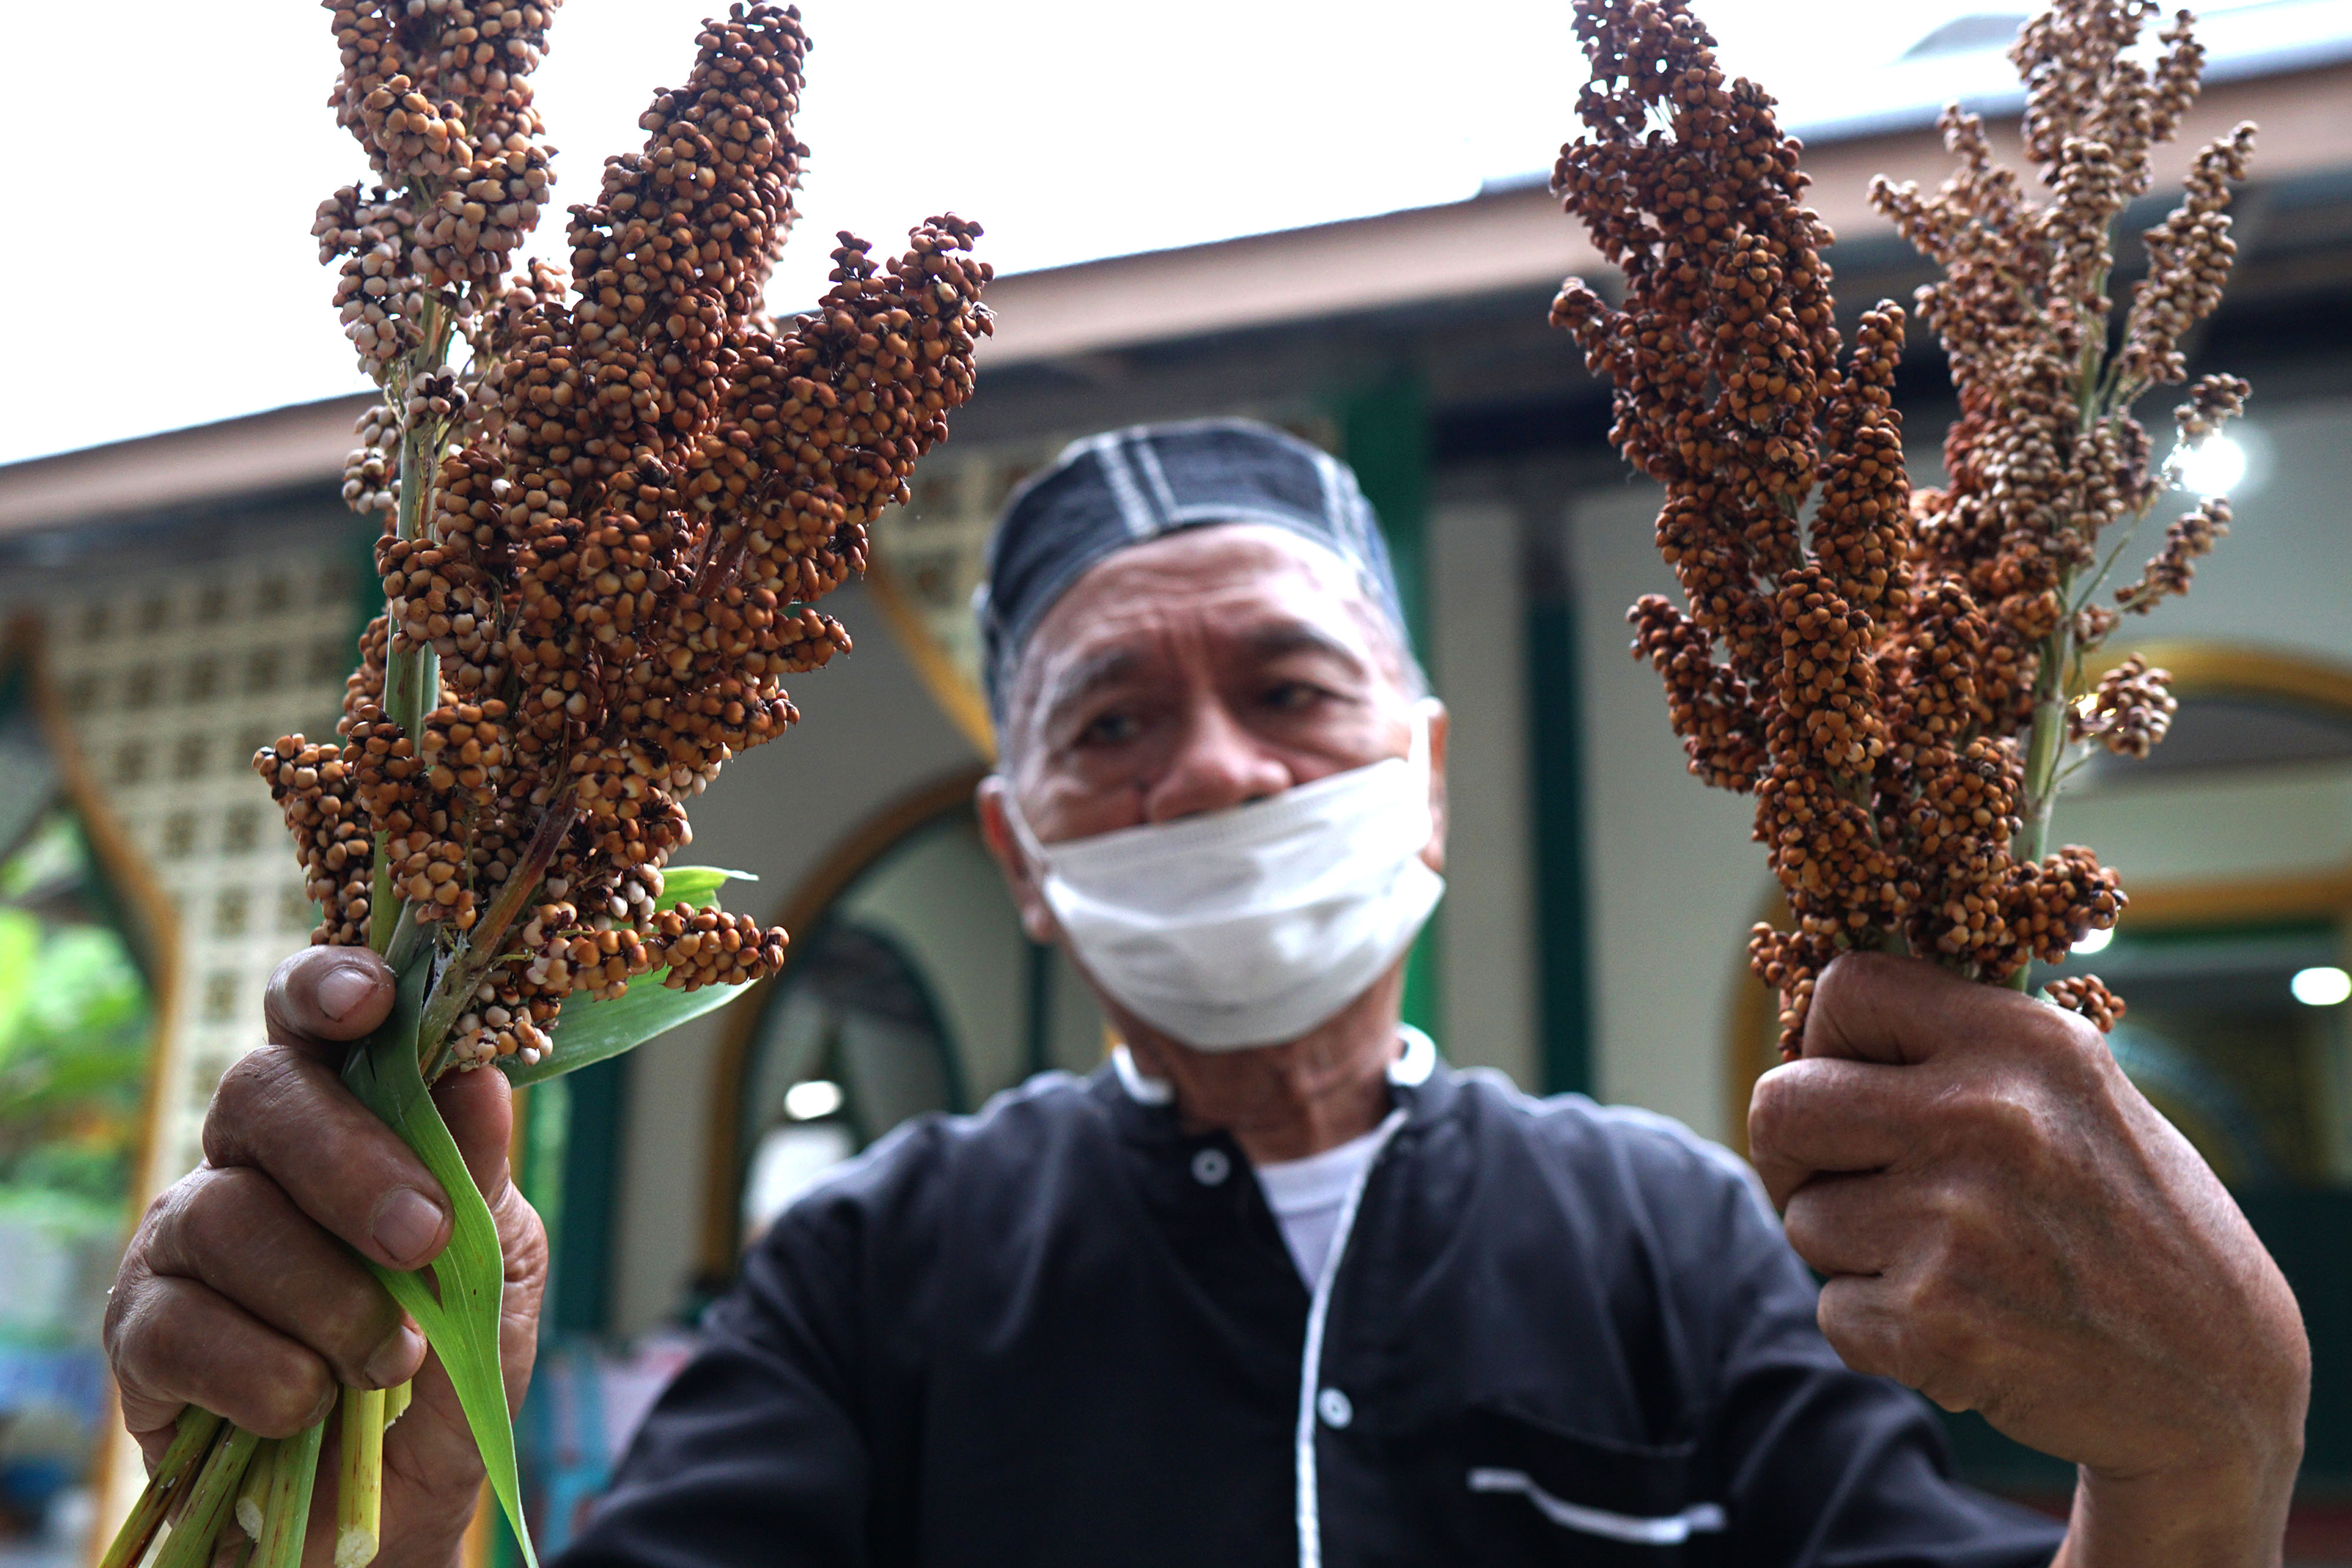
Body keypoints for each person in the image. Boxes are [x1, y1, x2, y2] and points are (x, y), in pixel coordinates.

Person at [107, 420, 2307, 1567]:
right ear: (1025, 862)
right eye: (1110, 726)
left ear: (1428, 779)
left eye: (1287, 687)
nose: (1221, 770)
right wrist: (392, 1494)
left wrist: (2209, 1457)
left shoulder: (1675, 1233)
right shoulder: (874, 1269)